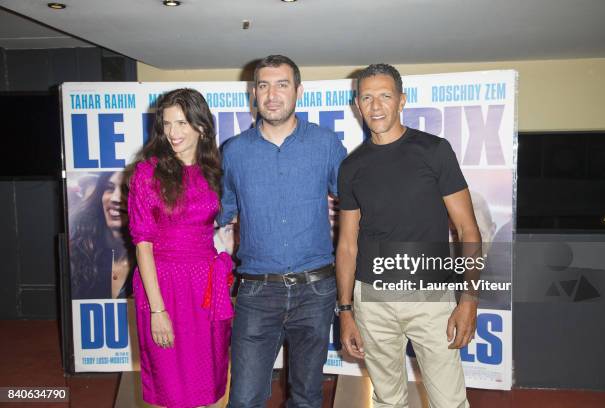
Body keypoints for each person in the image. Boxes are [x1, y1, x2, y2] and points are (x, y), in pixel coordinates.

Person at [336, 64, 481, 408]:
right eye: (367, 97)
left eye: (385, 96)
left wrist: (469, 298)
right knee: (387, 400)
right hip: (371, 300)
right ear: (357, 104)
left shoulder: (434, 150)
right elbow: (347, 244)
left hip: (430, 298)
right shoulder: (351, 167)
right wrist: (345, 310)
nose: (375, 106)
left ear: (402, 100)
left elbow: (467, 229)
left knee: (449, 402)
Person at [218, 55, 347, 408]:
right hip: (257, 292)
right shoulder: (234, 152)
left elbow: (355, 205)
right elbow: (218, 213)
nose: (272, 94)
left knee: (306, 398)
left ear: (299, 91)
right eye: (263, 85)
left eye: (282, 84)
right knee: (244, 399)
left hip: (316, 290)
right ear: (253, 93)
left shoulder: (326, 145)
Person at [127, 88, 234, 408]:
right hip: (162, 284)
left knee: (207, 381)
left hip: (205, 288)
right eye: (168, 124)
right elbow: (142, 245)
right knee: (170, 385)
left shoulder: (217, 172)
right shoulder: (147, 173)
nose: (173, 132)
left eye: (182, 123)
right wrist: (158, 311)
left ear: (201, 126)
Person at [70, 170, 134, 299]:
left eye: (126, 190)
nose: (115, 198)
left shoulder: (156, 260)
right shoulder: (80, 253)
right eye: (109, 188)